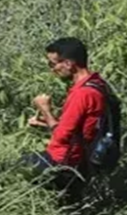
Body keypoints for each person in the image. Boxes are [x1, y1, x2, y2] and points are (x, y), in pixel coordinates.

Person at [21, 37, 109, 204]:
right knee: (70, 211)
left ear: (68, 63)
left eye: (53, 64)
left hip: (64, 162)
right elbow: (78, 128)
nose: (52, 70)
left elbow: (62, 136)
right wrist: (43, 123)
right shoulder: (97, 83)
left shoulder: (82, 94)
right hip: (81, 159)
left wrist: (45, 110)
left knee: (7, 172)